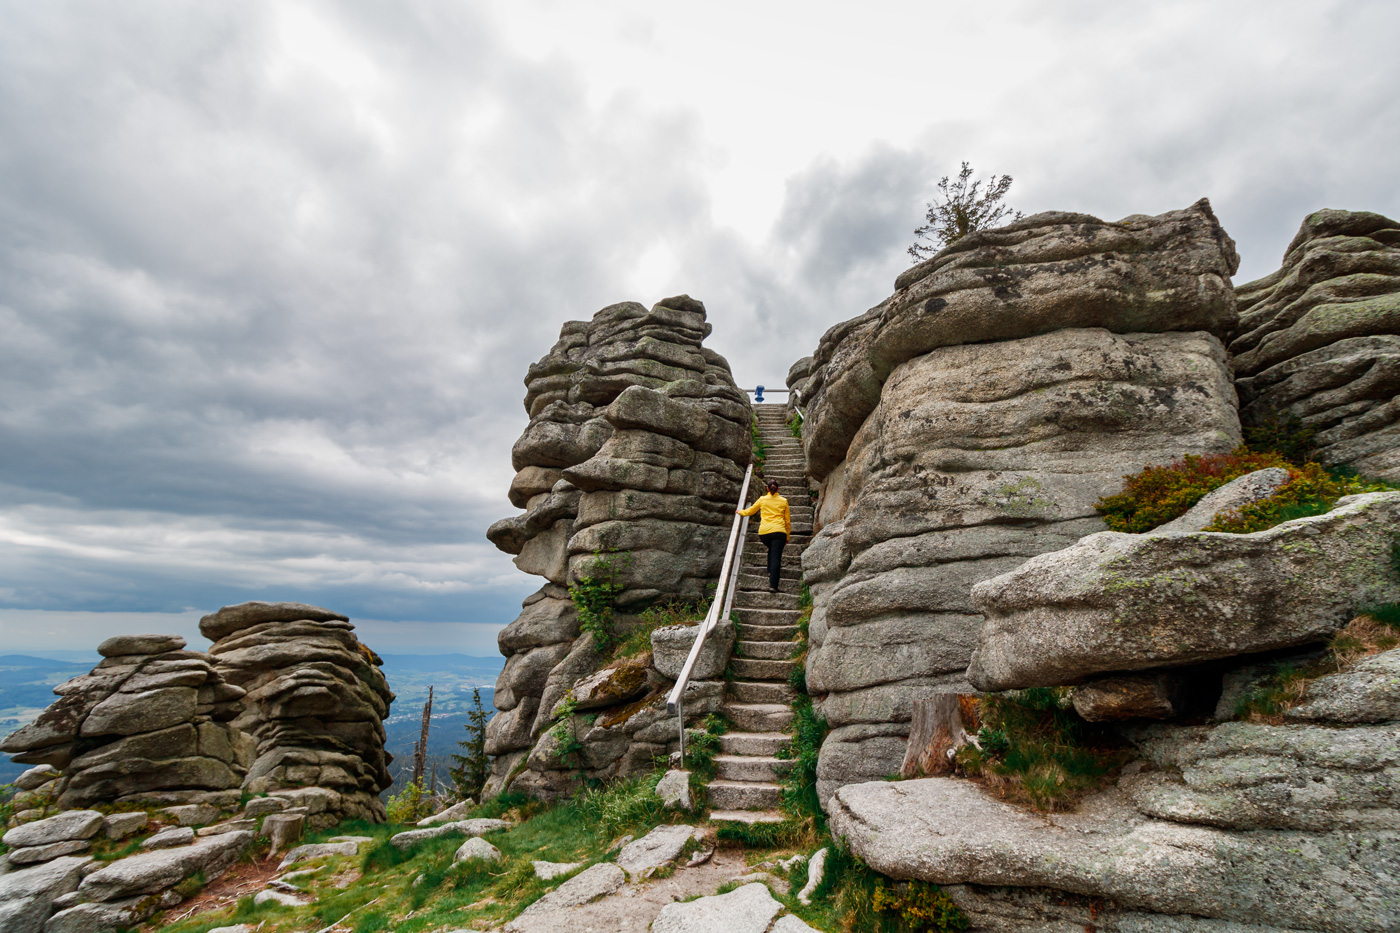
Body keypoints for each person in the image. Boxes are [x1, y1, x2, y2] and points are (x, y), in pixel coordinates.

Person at [738, 479, 791, 592]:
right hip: (779, 532)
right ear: (778, 489)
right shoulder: (783, 501)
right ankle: (773, 585)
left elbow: (751, 511)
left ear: (767, 488)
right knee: (776, 557)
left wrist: (740, 512)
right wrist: (787, 536)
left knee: (772, 549)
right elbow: (787, 521)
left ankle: (769, 569)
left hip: (764, 533)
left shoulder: (762, 499)